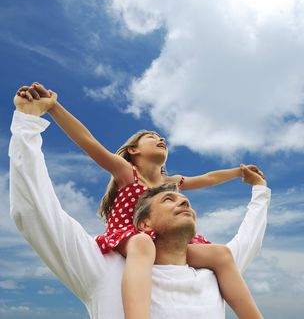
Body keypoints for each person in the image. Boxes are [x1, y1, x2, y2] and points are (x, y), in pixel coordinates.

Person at [10, 87, 270, 319]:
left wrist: (238, 173)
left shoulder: (172, 182)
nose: (161, 140)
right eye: (151, 137)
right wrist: (54, 108)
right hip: (132, 236)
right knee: (144, 244)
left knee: (221, 254)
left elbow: (208, 177)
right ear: (133, 150)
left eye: (162, 139)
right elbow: (88, 141)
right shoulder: (126, 173)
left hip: (164, 242)